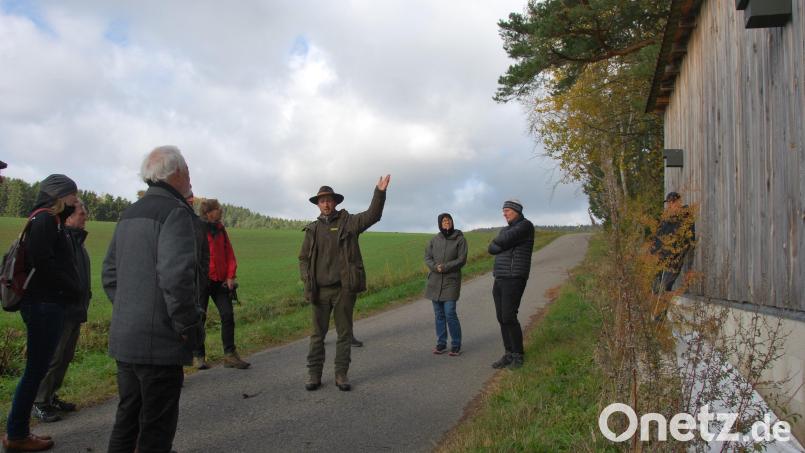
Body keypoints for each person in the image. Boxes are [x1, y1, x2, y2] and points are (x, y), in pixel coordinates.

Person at [102, 146, 204, 453]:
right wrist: (187, 325)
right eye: (187, 171)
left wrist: (130, 309)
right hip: (160, 341)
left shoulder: (129, 213)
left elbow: (109, 274)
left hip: (125, 338)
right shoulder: (175, 212)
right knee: (156, 429)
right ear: (175, 174)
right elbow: (177, 279)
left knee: (127, 419)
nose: (189, 178)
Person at [3, 174, 80, 452]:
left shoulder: (45, 219)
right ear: (59, 195)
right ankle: (17, 434)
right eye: (73, 194)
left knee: (35, 369)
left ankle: (17, 431)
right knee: (36, 370)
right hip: (44, 304)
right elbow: (43, 262)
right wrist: (71, 287)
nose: (76, 200)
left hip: (44, 303)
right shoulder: (46, 219)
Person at [299, 176, 390, 391]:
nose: (326, 204)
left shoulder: (349, 223)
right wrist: (306, 277)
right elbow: (303, 258)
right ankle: (314, 374)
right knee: (316, 335)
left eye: (329, 200)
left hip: (343, 290)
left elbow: (373, 215)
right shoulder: (312, 229)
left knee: (344, 335)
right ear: (318, 204)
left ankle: (341, 374)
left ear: (335, 202)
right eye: (322, 201)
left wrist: (379, 192)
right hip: (318, 291)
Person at [33, 200, 91, 423]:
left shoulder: (78, 242)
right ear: (68, 217)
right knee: (55, 357)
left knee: (65, 356)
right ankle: (39, 402)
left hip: (76, 308)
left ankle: (50, 396)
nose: (85, 216)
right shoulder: (62, 240)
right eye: (81, 213)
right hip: (64, 308)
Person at [193, 198, 249, 369]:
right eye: (217, 209)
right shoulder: (196, 229)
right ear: (208, 212)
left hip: (221, 282)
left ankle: (230, 355)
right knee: (198, 319)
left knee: (227, 315)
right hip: (202, 281)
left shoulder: (221, 229)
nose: (221, 211)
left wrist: (231, 276)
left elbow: (229, 253)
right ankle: (199, 357)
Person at [487, 199, 534, 370]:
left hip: (514, 277)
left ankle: (518, 355)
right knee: (501, 317)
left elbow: (499, 243)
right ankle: (508, 353)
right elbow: (492, 248)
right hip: (499, 277)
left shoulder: (525, 226)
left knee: (509, 316)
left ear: (517, 211)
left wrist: (501, 243)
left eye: (507, 210)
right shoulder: (506, 230)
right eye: (503, 211)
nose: (504, 214)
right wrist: (501, 243)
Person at [424, 213, 467, 356]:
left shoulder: (460, 239)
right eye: (443, 221)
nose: (446, 222)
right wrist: (435, 267)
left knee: (449, 313)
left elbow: (462, 259)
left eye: (448, 220)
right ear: (439, 223)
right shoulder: (434, 240)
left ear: (452, 222)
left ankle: (456, 344)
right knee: (439, 314)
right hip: (434, 281)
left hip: (451, 281)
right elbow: (427, 258)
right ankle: (441, 343)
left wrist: (446, 266)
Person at [651, 192, 695, 294]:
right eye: (668, 203)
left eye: (673, 202)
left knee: (664, 288)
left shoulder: (686, 217)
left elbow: (687, 239)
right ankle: (658, 307)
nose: (670, 205)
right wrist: (653, 252)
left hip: (673, 259)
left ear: (679, 201)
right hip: (659, 259)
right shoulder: (665, 219)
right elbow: (657, 238)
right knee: (655, 289)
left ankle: (663, 308)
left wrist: (674, 252)